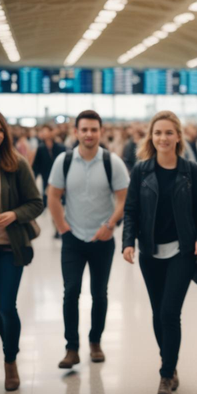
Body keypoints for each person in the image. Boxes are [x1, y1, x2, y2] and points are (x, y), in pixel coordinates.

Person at [122, 111, 197, 394]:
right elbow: (131, 209)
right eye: (157, 133)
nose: (163, 138)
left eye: (168, 132)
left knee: (169, 313)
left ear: (178, 136)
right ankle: (170, 365)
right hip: (150, 252)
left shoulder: (192, 171)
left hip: (182, 251)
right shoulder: (141, 171)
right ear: (151, 137)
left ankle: (165, 373)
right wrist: (128, 243)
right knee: (158, 312)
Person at [48, 110, 129, 369]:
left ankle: (95, 342)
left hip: (102, 238)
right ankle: (71, 348)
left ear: (100, 132)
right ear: (76, 132)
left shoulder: (111, 162)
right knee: (70, 292)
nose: (89, 134)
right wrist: (62, 227)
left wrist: (110, 225)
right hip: (73, 238)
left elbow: (124, 199)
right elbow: (53, 196)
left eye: (94, 129)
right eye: (84, 129)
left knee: (99, 293)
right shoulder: (64, 161)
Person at [0, 109, 44, 391]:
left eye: (0, 129)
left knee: (6, 307)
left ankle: (10, 361)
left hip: (8, 248)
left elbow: (36, 203)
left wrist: (14, 214)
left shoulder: (17, 164)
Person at [32, 124, 66, 209]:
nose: (43, 134)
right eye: (42, 132)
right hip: (46, 176)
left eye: (45, 131)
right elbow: (36, 165)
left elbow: (64, 163)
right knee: (47, 197)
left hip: (59, 177)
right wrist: (33, 179)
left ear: (51, 132)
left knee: (61, 198)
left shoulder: (60, 147)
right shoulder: (40, 148)